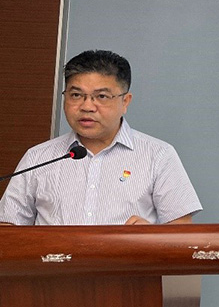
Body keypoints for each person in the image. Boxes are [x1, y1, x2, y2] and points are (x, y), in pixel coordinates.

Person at [0, 50, 202, 225]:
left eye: (102, 96)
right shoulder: (38, 157)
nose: (87, 106)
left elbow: (182, 233)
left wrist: (152, 238)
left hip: (128, 260)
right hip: (55, 260)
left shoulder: (158, 155)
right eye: (76, 95)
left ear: (125, 102)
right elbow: (8, 228)